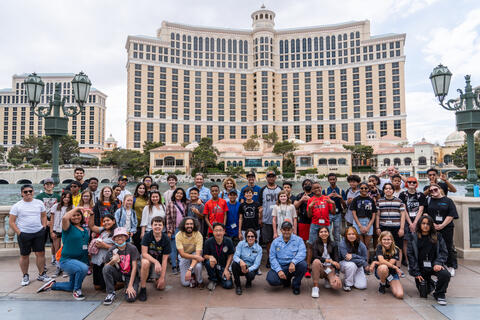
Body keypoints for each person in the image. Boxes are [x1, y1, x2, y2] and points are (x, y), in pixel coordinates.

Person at [37, 206, 89, 300]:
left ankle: (53, 285)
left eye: (78, 215)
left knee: (70, 286)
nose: (76, 217)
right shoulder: (68, 228)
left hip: (79, 260)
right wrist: (77, 208)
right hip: (67, 260)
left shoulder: (84, 230)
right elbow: (65, 218)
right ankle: (77, 291)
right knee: (83, 269)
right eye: (73, 215)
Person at [9, 184, 50, 286]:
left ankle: (41, 274)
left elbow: (44, 215)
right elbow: (11, 222)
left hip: (38, 232)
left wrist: (44, 227)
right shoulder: (17, 206)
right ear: (21, 193)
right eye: (25, 192)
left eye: (30, 191)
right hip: (24, 234)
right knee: (24, 255)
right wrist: (19, 232)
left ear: (33, 192)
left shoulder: (39, 203)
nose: (28, 193)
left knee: (40, 254)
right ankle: (25, 275)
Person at [407, 215, 451, 305]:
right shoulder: (413, 237)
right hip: (421, 268)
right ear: (419, 224)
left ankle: (440, 293)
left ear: (431, 225)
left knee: (445, 274)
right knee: (425, 292)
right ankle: (432, 283)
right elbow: (410, 255)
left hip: (434, 266)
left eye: (428, 224)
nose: (425, 226)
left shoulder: (438, 236)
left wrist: (438, 263)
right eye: (423, 223)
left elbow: (444, 252)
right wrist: (416, 272)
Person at [425, 184, 458, 277]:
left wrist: (442, 225)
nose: (433, 191)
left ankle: (450, 266)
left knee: (448, 246)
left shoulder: (448, 201)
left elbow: (451, 215)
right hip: (433, 227)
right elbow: (425, 213)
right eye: (431, 191)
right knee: (433, 246)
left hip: (446, 227)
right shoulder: (429, 200)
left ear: (439, 189)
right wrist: (433, 224)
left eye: (435, 189)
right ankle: (436, 265)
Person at [267, 221, 307, 295]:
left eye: (288, 229)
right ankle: (286, 280)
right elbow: (272, 258)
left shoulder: (299, 240)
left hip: (293, 266)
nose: (286, 232)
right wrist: (279, 270)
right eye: (284, 229)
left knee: (303, 265)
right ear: (281, 230)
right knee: (271, 280)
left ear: (292, 230)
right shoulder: (275, 242)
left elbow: (302, 253)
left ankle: (296, 285)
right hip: (281, 266)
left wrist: (293, 262)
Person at [102, 227, 140, 305]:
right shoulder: (112, 249)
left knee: (130, 298)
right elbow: (105, 267)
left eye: (122, 236)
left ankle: (129, 285)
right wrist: (113, 261)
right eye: (117, 236)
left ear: (126, 237)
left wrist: (130, 286)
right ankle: (110, 293)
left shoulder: (132, 248)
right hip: (119, 274)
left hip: (130, 275)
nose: (119, 238)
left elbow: (135, 267)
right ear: (114, 239)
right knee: (107, 268)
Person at [307, 182, 335, 278]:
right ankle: (308, 267)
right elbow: (309, 215)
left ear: (321, 187)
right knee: (310, 245)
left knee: (328, 244)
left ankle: (329, 265)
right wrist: (310, 207)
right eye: (314, 188)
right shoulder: (311, 200)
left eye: (318, 187)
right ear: (312, 190)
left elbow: (333, 212)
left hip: (326, 225)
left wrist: (333, 204)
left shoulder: (326, 198)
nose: (316, 189)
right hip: (315, 225)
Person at [139, 216, 171, 301]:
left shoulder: (166, 239)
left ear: (163, 227)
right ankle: (143, 288)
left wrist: (162, 278)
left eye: (159, 225)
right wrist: (156, 261)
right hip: (148, 259)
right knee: (145, 263)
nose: (157, 226)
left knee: (161, 287)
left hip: (159, 262)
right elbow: (144, 253)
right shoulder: (147, 236)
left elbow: (165, 260)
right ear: (152, 226)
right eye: (155, 224)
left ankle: (153, 276)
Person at [376, 183, 406, 268]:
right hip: (384, 227)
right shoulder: (380, 201)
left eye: (390, 188)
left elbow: (403, 215)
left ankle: (398, 267)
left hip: (396, 227)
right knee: (383, 246)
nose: (388, 190)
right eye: (386, 189)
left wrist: (402, 228)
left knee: (398, 247)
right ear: (384, 190)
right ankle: (385, 265)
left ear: (393, 190)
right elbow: (377, 215)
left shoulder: (399, 201)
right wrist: (377, 227)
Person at [399, 177, 426, 266]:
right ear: (406, 183)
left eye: (414, 182)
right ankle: (407, 260)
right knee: (406, 240)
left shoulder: (421, 195)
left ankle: (418, 259)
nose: (411, 184)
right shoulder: (403, 195)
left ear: (416, 184)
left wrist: (415, 223)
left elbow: (421, 209)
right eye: (409, 182)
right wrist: (410, 223)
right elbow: (404, 210)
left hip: (418, 220)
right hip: (407, 220)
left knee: (419, 240)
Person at [259, 170, 282, 268]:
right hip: (267, 220)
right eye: (269, 176)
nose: (271, 178)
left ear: (275, 178)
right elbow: (260, 206)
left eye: (273, 176)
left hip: (279, 220)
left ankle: (278, 258)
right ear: (266, 178)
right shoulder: (263, 189)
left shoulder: (280, 189)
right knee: (268, 241)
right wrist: (260, 218)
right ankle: (270, 258)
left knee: (279, 240)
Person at [87, 213, 117, 291]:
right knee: (97, 287)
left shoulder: (117, 232)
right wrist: (92, 215)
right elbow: (92, 226)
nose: (106, 223)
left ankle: (119, 283)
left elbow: (120, 247)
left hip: (107, 262)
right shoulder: (102, 230)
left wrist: (105, 246)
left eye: (108, 220)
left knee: (104, 288)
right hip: (96, 261)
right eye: (104, 221)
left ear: (113, 221)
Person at [311, 226, 342, 298]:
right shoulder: (315, 243)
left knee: (336, 286)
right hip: (320, 267)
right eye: (321, 232)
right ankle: (315, 287)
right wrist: (327, 260)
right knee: (316, 261)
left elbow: (336, 260)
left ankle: (328, 279)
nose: (323, 233)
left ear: (328, 233)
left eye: (325, 231)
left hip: (330, 268)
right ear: (318, 234)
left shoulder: (334, 244)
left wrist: (337, 274)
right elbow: (314, 257)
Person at [371, 231, 404, 298]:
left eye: (388, 239)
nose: (386, 241)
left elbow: (389, 263)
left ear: (392, 240)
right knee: (383, 267)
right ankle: (383, 283)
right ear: (380, 240)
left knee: (399, 295)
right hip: (381, 271)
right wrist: (395, 267)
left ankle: (388, 282)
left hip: (392, 273)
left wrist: (375, 262)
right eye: (384, 239)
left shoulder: (396, 249)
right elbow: (382, 261)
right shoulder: (379, 247)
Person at [36, 177, 61, 266]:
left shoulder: (58, 197)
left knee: (54, 241)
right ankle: (42, 261)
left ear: (53, 185)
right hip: (43, 222)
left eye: (50, 184)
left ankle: (54, 258)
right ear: (44, 186)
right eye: (47, 184)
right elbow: (37, 210)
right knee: (42, 242)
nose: (49, 185)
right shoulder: (39, 197)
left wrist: (53, 222)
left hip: (54, 222)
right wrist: (45, 221)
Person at [203, 223, 234, 291]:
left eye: (220, 230)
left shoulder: (229, 241)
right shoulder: (208, 242)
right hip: (213, 265)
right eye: (216, 230)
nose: (218, 233)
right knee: (208, 262)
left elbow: (231, 255)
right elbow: (204, 255)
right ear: (213, 232)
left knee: (228, 285)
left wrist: (226, 269)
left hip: (223, 266)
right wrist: (210, 257)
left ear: (224, 231)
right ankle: (213, 280)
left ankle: (221, 277)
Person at [175, 217, 205, 288]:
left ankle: (199, 281)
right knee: (185, 283)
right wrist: (195, 257)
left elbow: (197, 254)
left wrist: (189, 269)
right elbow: (182, 254)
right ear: (184, 225)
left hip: (194, 253)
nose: (189, 226)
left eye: (191, 224)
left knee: (198, 266)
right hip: (184, 256)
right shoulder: (178, 235)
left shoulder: (198, 235)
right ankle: (192, 274)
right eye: (187, 224)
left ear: (194, 225)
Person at [50, 191, 73, 277]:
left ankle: (65, 268)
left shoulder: (72, 207)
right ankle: (58, 267)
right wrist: (51, 231)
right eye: (64, 197)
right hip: (56, 230)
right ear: (62, 197)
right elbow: (52, 220)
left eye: (68, 197)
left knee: (66, 250)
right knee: (57, 250)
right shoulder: (56, 206)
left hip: (67, 231)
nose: (66, 199)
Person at [232, 228, 262, 295]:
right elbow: (235, 256)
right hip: (241, 265)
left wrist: (248, 270)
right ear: (246, 238)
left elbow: (257, 264)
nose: (250, 238)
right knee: (234, 264)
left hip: (251, 267)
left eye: (252, 236)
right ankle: (238, 286)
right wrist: (240, 261)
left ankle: (249, 281)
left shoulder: (259, 248)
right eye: (248, 236)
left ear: (255, 237)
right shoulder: (240, 244)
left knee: (250, 275)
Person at [351, 182, 377, 260]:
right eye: (362, 188)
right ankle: (361, 263)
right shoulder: (355, 199)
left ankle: (366, 262)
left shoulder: (371, 200)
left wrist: (368, 226)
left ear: (368, 189)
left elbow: (374, 214)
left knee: (367, 245)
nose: (364, 190)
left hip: (368, 222)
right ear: (359, 189)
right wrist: (360, 226)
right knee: (360, 244)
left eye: (365, 188)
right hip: (358, 221)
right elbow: (354, 213)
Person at [165, 187, 188, 274]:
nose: (179, 195)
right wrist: (169, 231)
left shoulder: (185, 203)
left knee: (181, 248)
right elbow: (168, 218)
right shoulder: (170, 204)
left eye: (181, 193)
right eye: (177, 193)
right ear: (174, 194)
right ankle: (174, 266)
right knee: (173, 248)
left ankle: (180, 264)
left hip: (183, 229)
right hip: (174, 229)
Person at [339, 227, 369, 291]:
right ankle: (348, 284)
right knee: (351, 265)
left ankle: (352, 277)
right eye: (349, 234)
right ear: (346, 235)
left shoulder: (361, 244)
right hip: (345, 264)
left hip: (358, 265)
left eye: (353, 234)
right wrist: (363, 262)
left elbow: (365, 258)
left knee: (362, 286)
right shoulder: (342, 243)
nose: (351, 236)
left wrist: (353, 255)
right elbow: (346, 258)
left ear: (356, 235)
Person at [294, 179, 314, 271]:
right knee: (303, 243)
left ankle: (309, 262)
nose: (307, 185)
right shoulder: (299, 195)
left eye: (309, 184)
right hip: (302, 222)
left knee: (311, 243)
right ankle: (302, 261)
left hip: (313, 222)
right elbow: (295, 206)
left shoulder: (314, 196)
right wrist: (302, 200)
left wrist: (310, 200)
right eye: (305, 184)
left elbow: (318, 205)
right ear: (303, 186)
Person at [322, 173, 346, 243]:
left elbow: (344, 206)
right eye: (330, 180)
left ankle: (337, 250)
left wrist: (340, 198)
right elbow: (322, 204)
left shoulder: (341, 191)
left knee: (337, 234)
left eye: (333, 179)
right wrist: (328, 197)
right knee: (327, 232)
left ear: (336, 180)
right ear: (328, 180)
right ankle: (328, 248)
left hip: (338, 214)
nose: (332, 181)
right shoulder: (325, 191)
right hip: (327, 214)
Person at [132, 183, 148, 251]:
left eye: (143, 188)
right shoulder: (133, 199)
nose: (142, 190)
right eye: (140, 188)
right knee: (137, 243)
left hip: (146, 225)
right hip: (136, 225)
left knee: (146, 244)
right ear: (137, 189)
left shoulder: (148, 199)